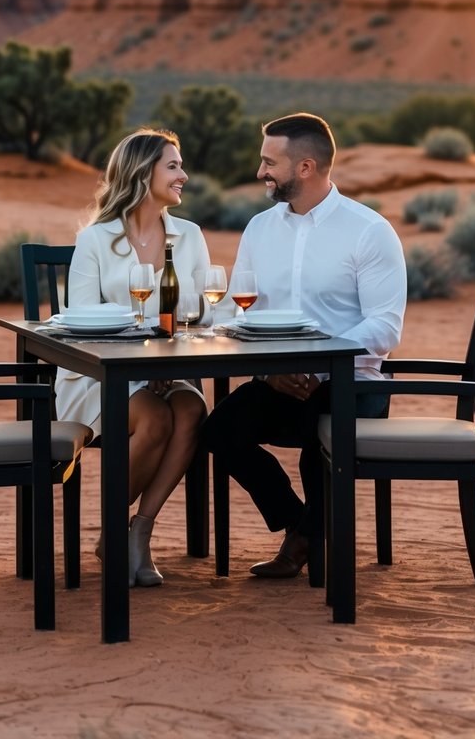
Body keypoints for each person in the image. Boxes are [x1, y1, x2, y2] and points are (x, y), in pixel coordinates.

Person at [202, 112, 406, 579]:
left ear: (306, 167)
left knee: (321, 433)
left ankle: (306, 547)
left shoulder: (369, 231)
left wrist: (317, 366)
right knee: (220, 431)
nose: (260, 173)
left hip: (351, 384)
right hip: (280, 381)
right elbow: (240, 311)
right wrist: (271, 370)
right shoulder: (259, 229)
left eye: (269, 162)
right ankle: (302, 526)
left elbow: (385, 326)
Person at [60, 128, 210, 587]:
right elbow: (81, 313)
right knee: (156, 420)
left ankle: (136, 531)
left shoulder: (190, 235)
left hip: (167, 370)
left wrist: (164, 358)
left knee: (192, 409)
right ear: (142, 173)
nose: (183, 175)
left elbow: (209, 309)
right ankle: (116, 530)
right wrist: (150, 327)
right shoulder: (96, 240)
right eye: (173, 166)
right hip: (97, 376)